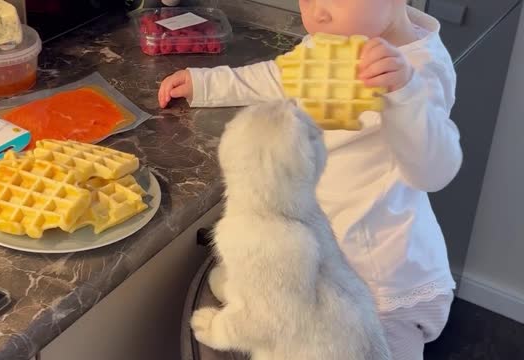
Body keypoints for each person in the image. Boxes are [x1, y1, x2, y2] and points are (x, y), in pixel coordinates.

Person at [158, 1, 462, 359]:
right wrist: (206, 83)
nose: (316, 13)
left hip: (382, 286)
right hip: (321, 269)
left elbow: (435, 171)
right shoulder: (330, 40)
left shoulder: (422, 66)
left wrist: (404, 94)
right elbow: (279, 77)